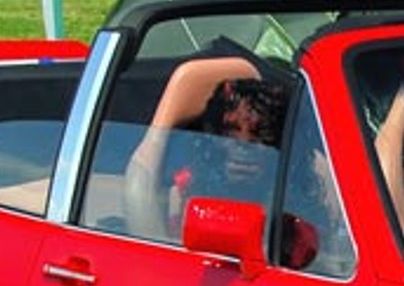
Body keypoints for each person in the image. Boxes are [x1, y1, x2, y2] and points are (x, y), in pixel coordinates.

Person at [124, 54, 289, 241]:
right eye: (231, 130)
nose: (243, 143)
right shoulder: (183, 193)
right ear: (213, 137)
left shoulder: (295, 193)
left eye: (261, 132)